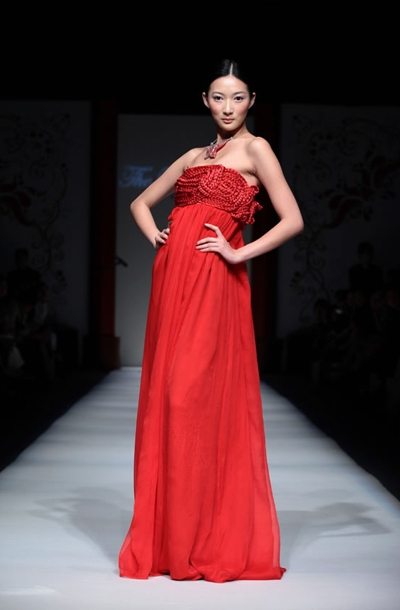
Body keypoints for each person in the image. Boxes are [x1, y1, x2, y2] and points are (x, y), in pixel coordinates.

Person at [118, 59, 304, 583]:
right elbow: (139, 203)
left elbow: (293, 219)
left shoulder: (257, 149)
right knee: (168, 399)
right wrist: (158, 237)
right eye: (219, 97)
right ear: (205, 100)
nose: (228, 107)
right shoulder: (193, 156)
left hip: (214, 282)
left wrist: (239, 253)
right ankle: (175, 539)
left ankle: (204, 536)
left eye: (238, 97)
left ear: (251, 101)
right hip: (172, 280)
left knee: (188, 396)